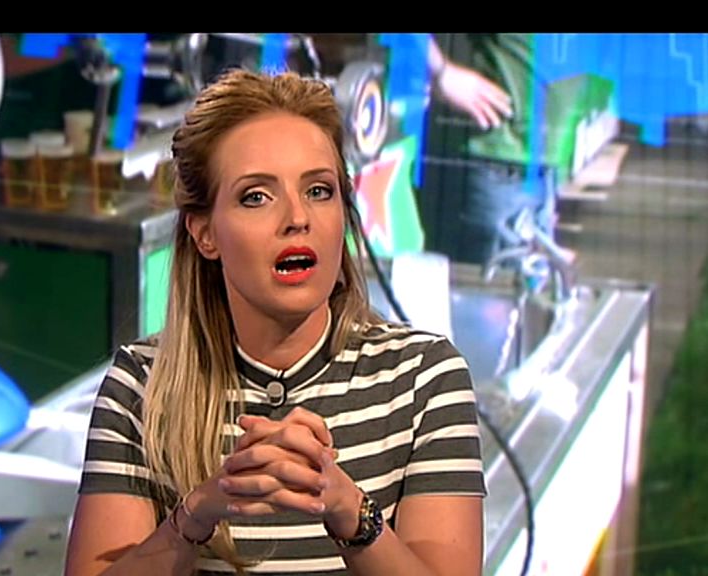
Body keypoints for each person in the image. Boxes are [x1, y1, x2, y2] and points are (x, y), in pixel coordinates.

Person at [64, 68, 486, 576]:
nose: (297, 218)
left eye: (319, 190)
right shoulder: (142, 387)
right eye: (256, 196)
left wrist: (350, 513)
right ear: (205, 233)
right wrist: (196, 516)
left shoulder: (424, 378)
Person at [418, 34, 563, 268]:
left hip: (542, 168)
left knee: (528, 283)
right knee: (481, 286)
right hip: (490, 164)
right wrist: (442, 72)